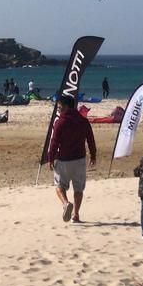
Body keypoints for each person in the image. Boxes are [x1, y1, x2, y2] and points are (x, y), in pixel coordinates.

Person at [43, 94, 97, 222]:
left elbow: (54, 142)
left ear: (66, 107)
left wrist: (50, 158)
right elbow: (90, 139)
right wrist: (93, 155)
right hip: (80, 159)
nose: (59, 110)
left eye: (60, 107)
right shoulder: (83, 121)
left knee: (59, 186)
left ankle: (66, 204)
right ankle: (76, 215)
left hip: (64, 159)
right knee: (78, 188)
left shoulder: (60, 122)